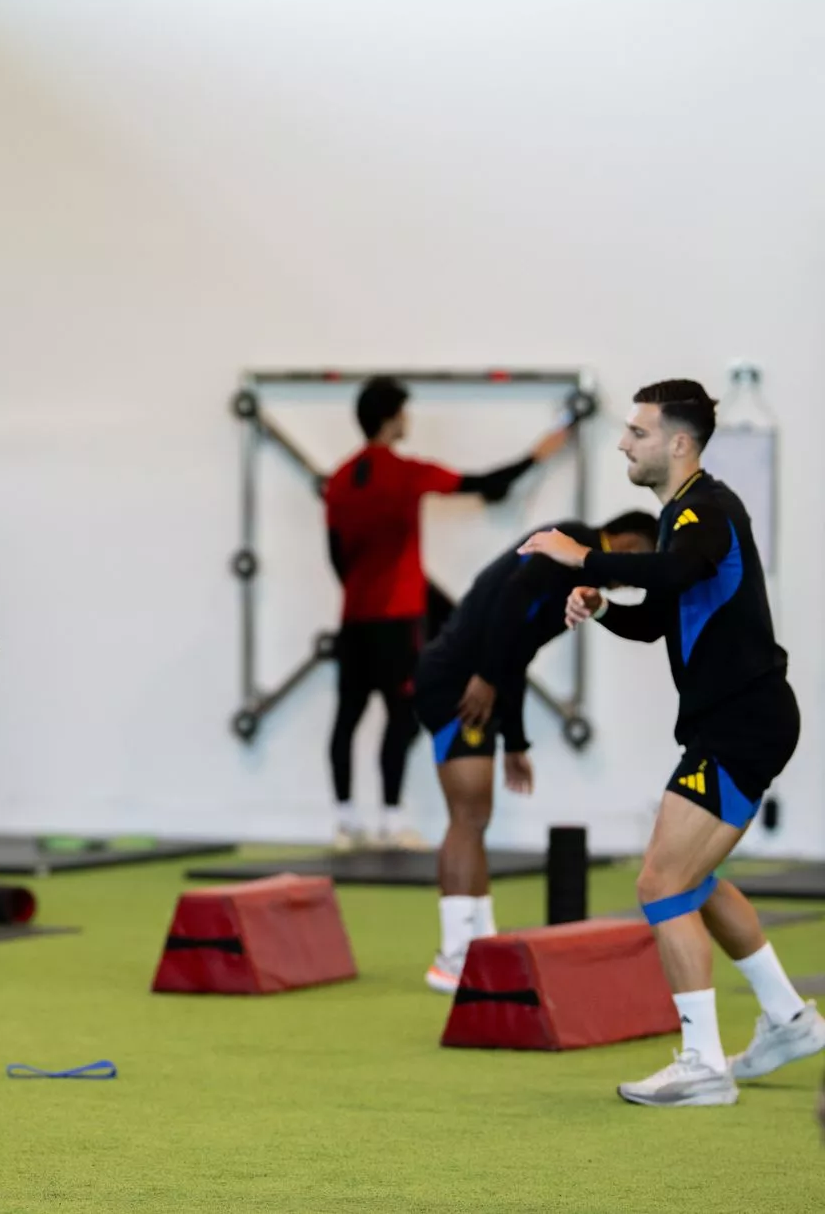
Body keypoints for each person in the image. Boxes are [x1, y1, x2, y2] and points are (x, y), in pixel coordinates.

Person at [521, 378, 825, 1107]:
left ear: (679, 442)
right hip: (740, 719)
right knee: (689, 878)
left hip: (742, 719)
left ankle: (702, 1063)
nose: (624, 442)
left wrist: (584, 558)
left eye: (638, 431)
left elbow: (678, 571)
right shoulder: (679, 519)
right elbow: (659, 613)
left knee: (661, 883)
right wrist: (601, 608)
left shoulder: (709, 511)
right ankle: (787, 1017)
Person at [413, 510, 658, 994]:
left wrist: (516, 740)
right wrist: (483, 675)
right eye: (640, 568)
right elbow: (509, 602)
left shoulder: (582, 579)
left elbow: (518, 651)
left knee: (475, 816)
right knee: (468, 814)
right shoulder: (571, 544)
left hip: (475, 681)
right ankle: (453, 957)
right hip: (454, 682)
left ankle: (477, 945)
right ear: (627, 543)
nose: (633, 586)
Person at [324, 376, 570, 850]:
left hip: (354, 619)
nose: (407, 420)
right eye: (403, 412)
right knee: (401, 716)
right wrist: (540, 454)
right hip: (397, 620)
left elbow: (334, 554)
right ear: (392, 417)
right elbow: (485, 483)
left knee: (347, 716)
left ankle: (343, 821)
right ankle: (391, 822)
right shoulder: (404, 473)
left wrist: (361, 590)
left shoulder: (339, 481)